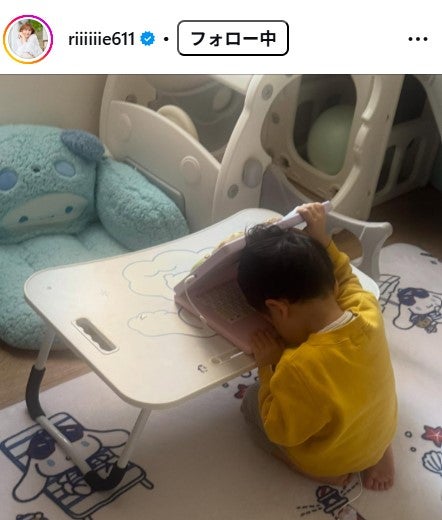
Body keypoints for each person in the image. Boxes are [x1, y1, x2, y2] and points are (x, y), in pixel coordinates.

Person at [237, 202, 397, 491]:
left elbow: (279, 429)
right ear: (331, 285)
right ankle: (379, 449)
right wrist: (321, 237)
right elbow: (345, 274)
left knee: (251, 403)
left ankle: (314, 471)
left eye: (268, 316)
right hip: (378, 430)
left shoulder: (296, 367)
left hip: (332, 459)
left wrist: (269, 364)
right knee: (358, 395)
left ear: (278, 309)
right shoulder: (365, 306)